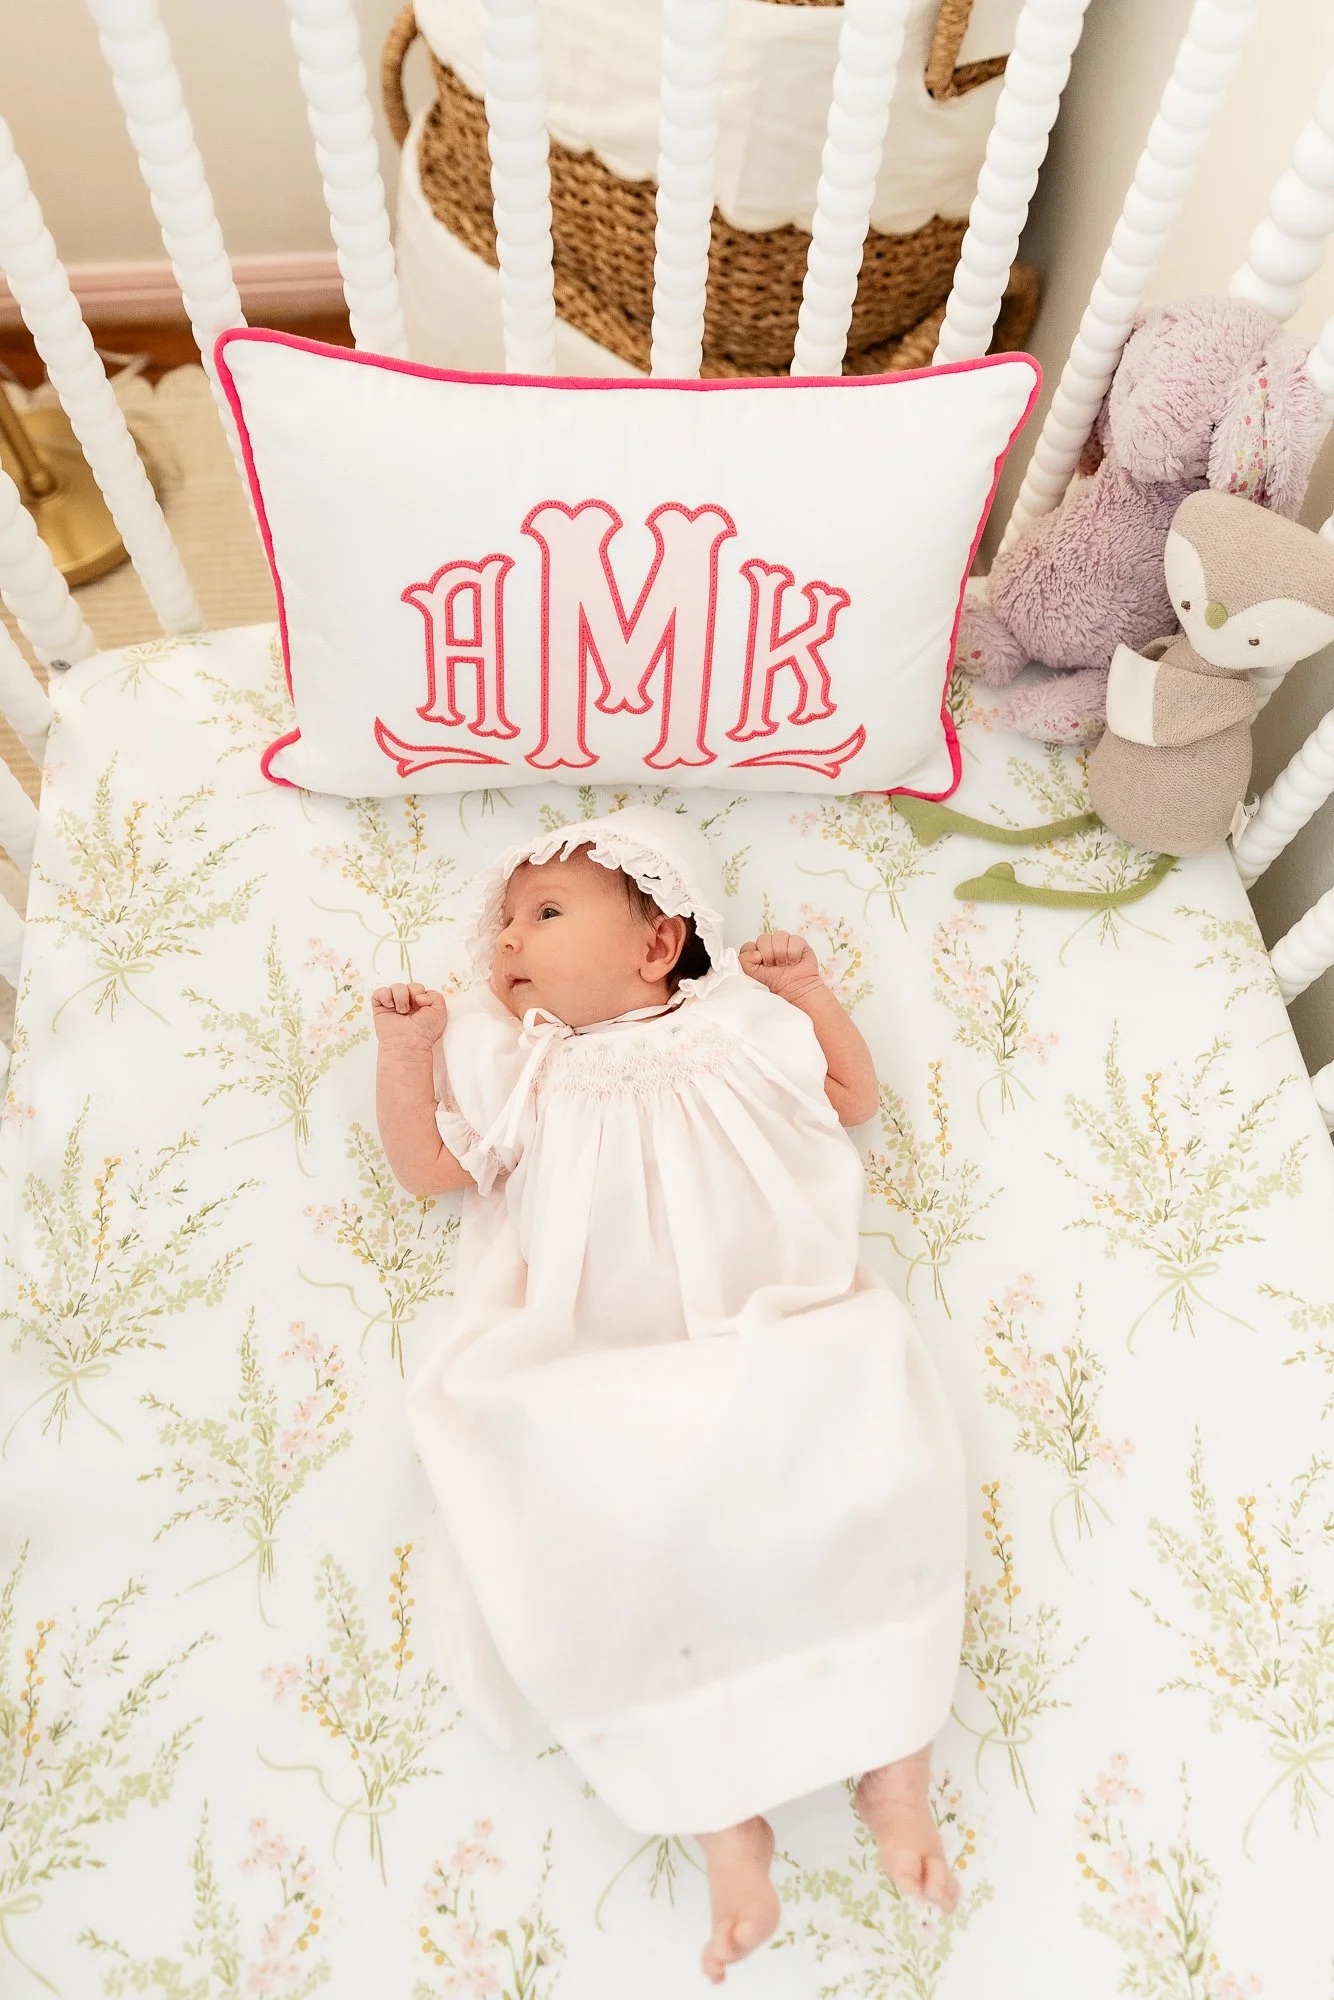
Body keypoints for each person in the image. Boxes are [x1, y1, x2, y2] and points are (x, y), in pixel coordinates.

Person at [373, 805, 966, 1985]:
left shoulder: (737, 1019)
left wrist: (809, 993)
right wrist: (408, 1051)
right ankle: (724, 1828)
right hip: (607, 1363)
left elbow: (850, 1095)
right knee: (636, 1539)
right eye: (503, 923)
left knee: (857, 1459)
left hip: (779, 1328)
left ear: (657, 943)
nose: (506, 941)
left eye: (544, 912)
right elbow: (429, 1168)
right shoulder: (517, 1061)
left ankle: (896, 1772)